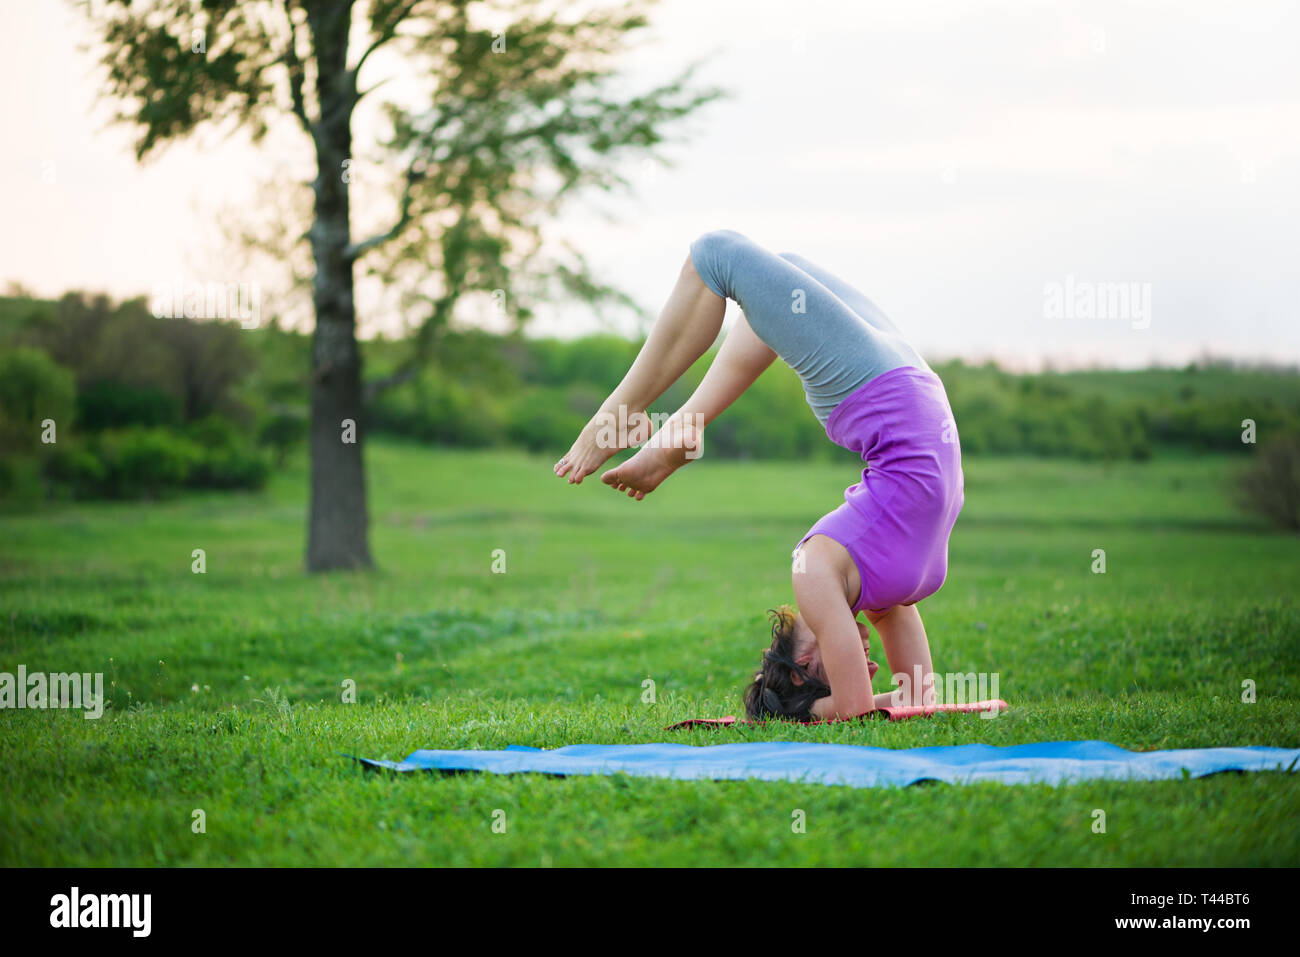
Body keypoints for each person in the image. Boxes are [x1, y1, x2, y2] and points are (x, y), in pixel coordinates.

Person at [553, 229, 964, 722]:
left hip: (876, 391)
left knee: (715, 253)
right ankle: (683, 431)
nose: (870, 664)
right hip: (912, 389)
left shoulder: (812, 573)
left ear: (802, 668)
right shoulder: (882, 596)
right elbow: (918, 701)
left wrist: (786, 714)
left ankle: (617, 419)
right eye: (873, 667)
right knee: (776, 283)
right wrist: (856, 701)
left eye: (857, 666)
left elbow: (853, 708)